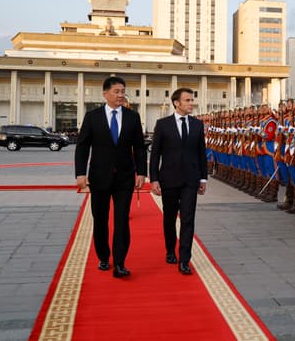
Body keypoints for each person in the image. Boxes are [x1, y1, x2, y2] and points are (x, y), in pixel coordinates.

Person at [75, 76, 147, 278]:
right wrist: (80, 173)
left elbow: (139, 148)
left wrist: (142, 172)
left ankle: (120, 263)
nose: (120, 95)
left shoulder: (132, 117)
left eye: (123, 91)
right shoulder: (92, 117)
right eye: (116, 91)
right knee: (100, 218)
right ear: (105, 93)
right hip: (98, 177)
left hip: (125, 177)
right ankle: (104, 257)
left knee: (122, 219)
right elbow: (82, 147)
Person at [150, 88, 208, 276]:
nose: (191, 103)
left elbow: (201, 154)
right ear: (177, 103)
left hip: (191, 180)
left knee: (188, 219)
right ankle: (169, 250)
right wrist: (154, 179)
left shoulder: (197, 125)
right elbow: (155, 154)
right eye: (187, 100)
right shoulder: (163, 124)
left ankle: (184, 260)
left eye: (192, 100)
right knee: (169, 218)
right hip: (169, 179)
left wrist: (203, 178)